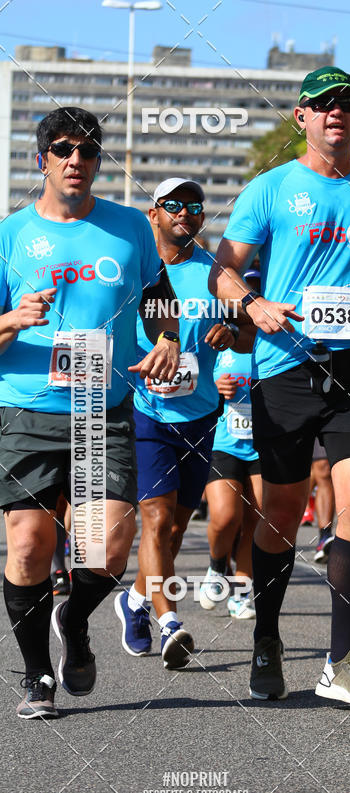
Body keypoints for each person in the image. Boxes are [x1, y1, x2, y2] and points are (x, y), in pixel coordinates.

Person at [209, 65, 350, 707]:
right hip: (283, 368)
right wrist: (253, 304)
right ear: (301, 116)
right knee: (281, 511)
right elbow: (224, 270)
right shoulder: (271, 188)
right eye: (323, 103)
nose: (336, 111)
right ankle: (267, 637)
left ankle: (341, 660)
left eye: (346, 102)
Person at [0, 107, 180, 718]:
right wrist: (12, 318)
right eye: (63, 149)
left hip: (101, 410)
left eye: (88, 150)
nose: (76, 160)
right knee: (29, 547)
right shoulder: (10, 235)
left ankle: (73, 622)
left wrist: (167, 340)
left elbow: (159, 297)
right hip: (26, 408)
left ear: (99, 162)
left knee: (104, 550)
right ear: (42, 160)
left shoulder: (130, 227)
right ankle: (37, 677)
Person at [114, 177, 251, 666]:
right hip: (145, 412)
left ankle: (134, 599)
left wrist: (230, 330)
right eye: (173, 204)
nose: (185, 213)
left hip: (201, 416)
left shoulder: (215, 272)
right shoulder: (132, 269)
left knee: (173, 531)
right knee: (155, 518)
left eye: (194, 206)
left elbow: (251, 331)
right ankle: (170, 623)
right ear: (153, 213)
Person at [196, 337, 261, 619]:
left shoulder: (269, 341)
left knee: (256, 520)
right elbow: (193, 381)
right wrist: (214, 387)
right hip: (223, 443)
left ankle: (241, 593)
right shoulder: (217, 342)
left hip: (263, 445)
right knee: (225, 517)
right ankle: (217, 567)